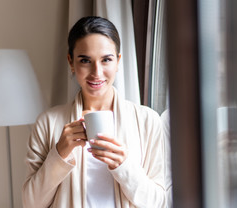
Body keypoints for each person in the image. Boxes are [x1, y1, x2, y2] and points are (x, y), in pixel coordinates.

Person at [22, 16, 166, 208]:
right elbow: (31, 204)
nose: (96, 72)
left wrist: (124, 166)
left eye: (106, 60)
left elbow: (159, 203)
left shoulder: (148, 121)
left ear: (118, 61)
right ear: (71, 62)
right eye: (85, 60)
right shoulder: (48, 123)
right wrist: (59, 154)